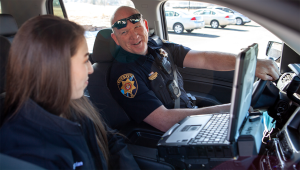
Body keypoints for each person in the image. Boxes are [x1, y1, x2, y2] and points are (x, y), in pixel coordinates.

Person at [108, 6, 281, 132]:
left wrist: (249, 63)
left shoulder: (157, 47)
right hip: (170, 136)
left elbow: (205, 58)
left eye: (137, 26)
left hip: (190, 118)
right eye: (124, 32)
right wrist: (228, 109)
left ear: (145, 25)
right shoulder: (125, 75)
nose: (134, 35)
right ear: (115, 39)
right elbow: (163, 121)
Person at [0, 15, 140, 170]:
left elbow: (110, 140)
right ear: (56, 67)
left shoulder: (76, 104)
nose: (90, 69)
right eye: (85, 60)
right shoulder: (27, 153)